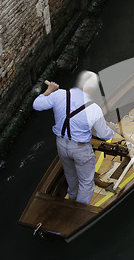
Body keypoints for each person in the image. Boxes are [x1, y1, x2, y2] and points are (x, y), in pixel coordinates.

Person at [33, 71, 115, 204]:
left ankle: (72, 199)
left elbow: (36, 105)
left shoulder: (59, 95)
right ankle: (79, 211)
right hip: (80, 149)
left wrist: (49, 90)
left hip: (61, 145)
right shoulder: (94, 109)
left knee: (71, 176)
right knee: (86, 182)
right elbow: (104, 135)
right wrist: (112, 129)